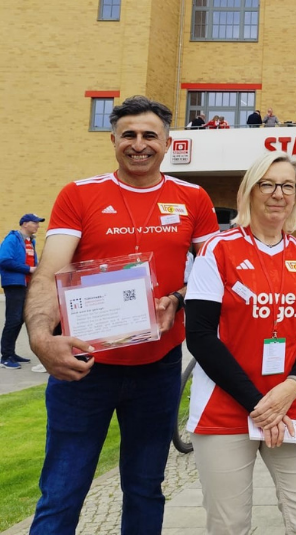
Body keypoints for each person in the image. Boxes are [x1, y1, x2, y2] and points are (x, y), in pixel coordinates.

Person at [24, 95, 219, 534]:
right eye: (128, 134)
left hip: (158, 368)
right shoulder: (79, 193)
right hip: (83, 368)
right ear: (113, 140)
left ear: (168, 143)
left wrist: (179, 297)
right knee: (62, 492)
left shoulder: (193, 198)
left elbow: (214, 275)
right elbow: (49, 272)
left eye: (150, 135)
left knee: (146, 488)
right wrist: (40, 337)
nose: (139, 144)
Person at [185, 152, 296, 535]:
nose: (278, 194)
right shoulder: (217, 249)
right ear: (249, 190)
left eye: (288, 186)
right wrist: (259, 406)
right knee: (229, 526)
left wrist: (292, 385)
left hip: (293, 404)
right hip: (225, 408)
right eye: (268, 184)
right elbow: (199, 336)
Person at [0, 213, 42, 369]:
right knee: (13, 319)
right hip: (14, 284)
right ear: (24, 224)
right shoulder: (12, 239)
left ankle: (11, 353)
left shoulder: (31, 241)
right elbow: (4, 260)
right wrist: (28, 269)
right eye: (34, 222)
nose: (38, 225)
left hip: (26, 284)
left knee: (19, 319)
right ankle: (5, 357)